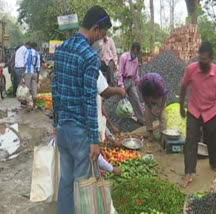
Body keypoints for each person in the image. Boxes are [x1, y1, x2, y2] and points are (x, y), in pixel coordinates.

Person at [52, 6, 125, 214]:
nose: (101, 39)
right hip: (80, 133)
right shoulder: (89, 57)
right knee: (84, 185)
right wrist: (95, 139)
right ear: (95, 28)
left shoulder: (62, 49)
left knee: (66, 180)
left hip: (63, 129)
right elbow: (89, 101)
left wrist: (56, 125)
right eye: (102, 35)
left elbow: (56, 91)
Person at [179, 41, 216, 188]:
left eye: (205, 60)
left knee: (213, 139)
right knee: (190, 141)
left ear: (211, 59)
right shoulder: (191, 69)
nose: (202, 63)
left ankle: (213, 163)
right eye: (200, 59)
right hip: (194, 109)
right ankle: (188, 173)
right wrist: (181, 106)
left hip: (211, 111)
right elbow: (183, 87)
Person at [118, 42, 144, 125]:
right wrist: (121, 86)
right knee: (123, 99)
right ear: (131, 50)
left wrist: (139, 84)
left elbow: (136, 74)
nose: (135, 55)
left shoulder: (136, 60)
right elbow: (120, 72)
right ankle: (121, 121)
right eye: (134, 53)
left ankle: (141, 119)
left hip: (131, 80)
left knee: (136, 98)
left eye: (137, 54)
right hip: (124, 80)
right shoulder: (123, 57)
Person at [139, 73, 168, 142]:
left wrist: (161, 108)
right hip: (148, 96)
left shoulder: (159, 83)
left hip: (159, 96)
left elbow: (164, 96)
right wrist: (150, 105)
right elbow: (144, 97)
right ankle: (150, 133)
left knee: (162, 116)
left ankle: (163, 135)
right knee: (147, 113)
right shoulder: (141, 84)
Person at [23, 42, 40, 110]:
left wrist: (23, 73)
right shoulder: (37, 54)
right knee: (34, 89)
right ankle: (34, 106)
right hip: (35, 73)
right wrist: (38, 77)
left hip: (28, 72)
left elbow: (25, 62)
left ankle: (27, 106)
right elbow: (38, 67)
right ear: (35, 47)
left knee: (27, 89)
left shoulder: (27, 52)